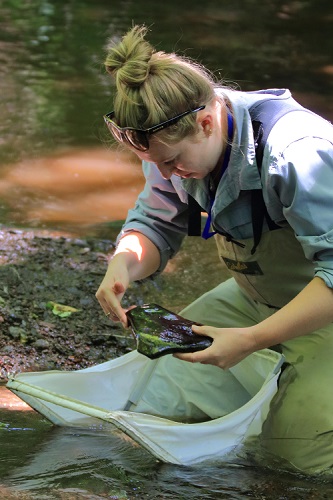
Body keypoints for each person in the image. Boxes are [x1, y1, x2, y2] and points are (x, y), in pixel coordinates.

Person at [96, 25, 333, 474]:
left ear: (207, 122)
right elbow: (154, 223)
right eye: (154, 165)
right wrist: (124, 261)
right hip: (256, 298)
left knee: (296, 458)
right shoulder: (174, 136)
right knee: (158, 393)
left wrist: (250, 340)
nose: (167, 173)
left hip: (324, 306)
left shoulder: (297, 152)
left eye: (170, 163)